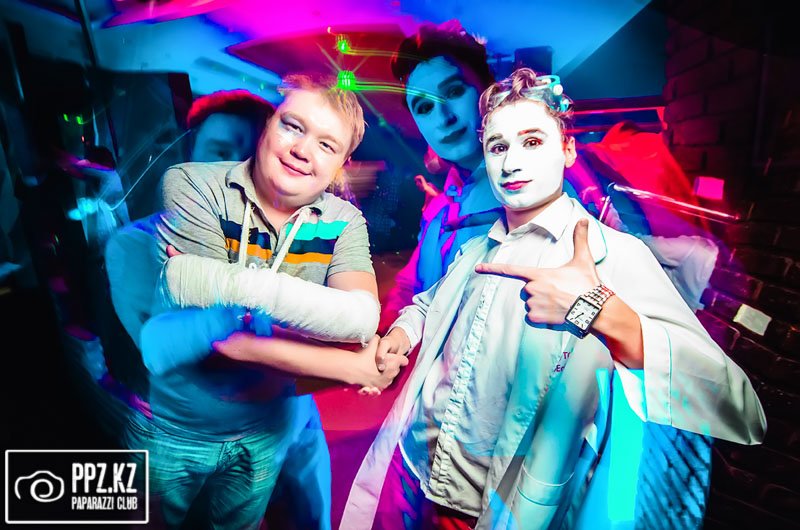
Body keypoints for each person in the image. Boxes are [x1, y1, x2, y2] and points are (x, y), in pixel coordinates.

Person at [341, 68, 766, 530]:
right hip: (411, 467)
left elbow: (736, 406)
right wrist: (403, 334)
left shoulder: (613, 255)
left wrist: (597, 309)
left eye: (532, 141)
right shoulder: (476, 248)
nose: (511, 162)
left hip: (485, 505)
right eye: (498, 147)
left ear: (567, 150)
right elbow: (431, 304)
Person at [114, 73, 405, 530]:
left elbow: (358, 322)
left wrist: (219, 290)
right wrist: (351, 365)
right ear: (270, 124)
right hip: (177, 427)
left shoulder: (342, 219)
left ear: (342, 163)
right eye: (293, 126)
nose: (302, 150)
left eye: (326, 145)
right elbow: (197, 339)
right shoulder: (185, 191)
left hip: (266, 426)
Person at [378, 20, 502, 333]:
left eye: (454, 91)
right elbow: (410, 289)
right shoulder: (439, 211)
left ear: (488, 89)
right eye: (424, 107)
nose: (443, 117)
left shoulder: (541, 186)